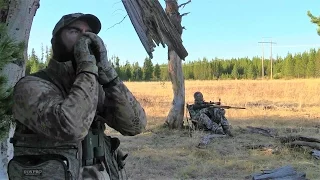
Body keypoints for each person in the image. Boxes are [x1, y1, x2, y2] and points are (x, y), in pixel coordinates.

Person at [8, 13, 147, 180]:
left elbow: (135, 126)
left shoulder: (93, 84)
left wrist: (108, 74)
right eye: (75, 31)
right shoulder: (30, 86)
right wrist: (87, 66)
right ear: (56, 41)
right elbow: (72, 128)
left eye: (89, 32)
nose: (85, 38)